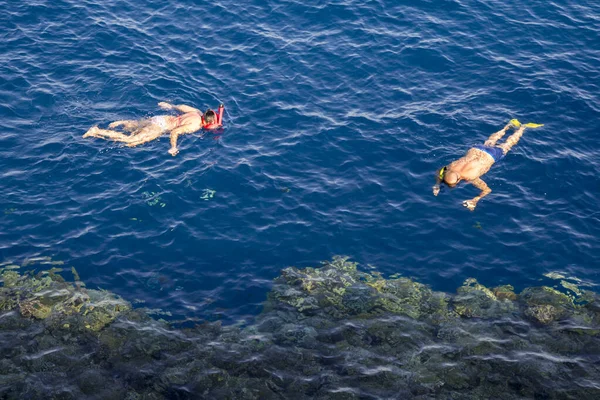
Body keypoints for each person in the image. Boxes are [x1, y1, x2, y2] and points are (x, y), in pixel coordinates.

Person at [433, 119, 543, 211]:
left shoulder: (470, 178)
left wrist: (475, 200)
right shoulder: (451, 167)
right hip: (478, 149)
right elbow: (439, 171)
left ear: (458, 180)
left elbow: (487, 190)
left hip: (491, 155)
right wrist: (437, 184)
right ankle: (508, 126)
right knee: (490, 141)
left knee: (508, 144)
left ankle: (523, 128)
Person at [83, 102, 224, 156]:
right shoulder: (195, 126)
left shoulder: (197, 111)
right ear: (207, 123)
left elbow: (180, 107)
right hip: (160, 127)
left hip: (161, 118)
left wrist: (170, 106)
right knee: (130, 141)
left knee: (135, 127)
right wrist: (173, 147)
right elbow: (175, 132)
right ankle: (97, 131)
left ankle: (122, 122)